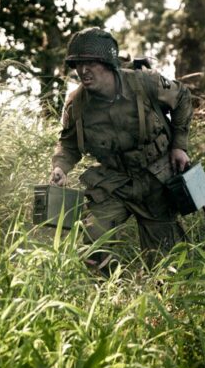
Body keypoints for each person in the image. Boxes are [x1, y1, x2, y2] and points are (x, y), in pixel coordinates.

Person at [49, 27, 194, 273]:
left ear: (107, 62)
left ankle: (164, 302)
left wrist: (179, 146)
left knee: (168, 262)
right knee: (92, 242)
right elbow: (69, 143)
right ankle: (111, 295)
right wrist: (60, 167)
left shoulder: (144, 82)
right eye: (78, 64)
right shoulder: (76, 103)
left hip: (155, 178)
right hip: (114, 182)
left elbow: (182, 97)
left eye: (91, 63)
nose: (83, 70)